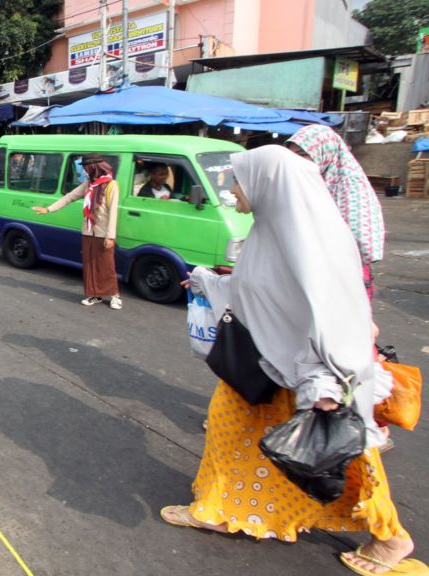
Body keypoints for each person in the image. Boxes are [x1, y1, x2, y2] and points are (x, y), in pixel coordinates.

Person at [161, 146, 421, 576]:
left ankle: (391, 538)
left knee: (342, 458)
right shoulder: (271, 230)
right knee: (231, 438)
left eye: (238, 182)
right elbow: (256, 296)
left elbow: (336, 317)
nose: (231, 193)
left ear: (268, 183)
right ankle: (218, 508)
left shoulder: (313, 241)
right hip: (264, 366)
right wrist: (207, 281)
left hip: (314, 380)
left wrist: (324, 386)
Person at [285, 124, 385, 301]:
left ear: (324, 152)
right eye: (291, 156)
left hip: (343, 279)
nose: (296, 162)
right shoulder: (314, 181)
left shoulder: (348, 184)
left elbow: (363, 244)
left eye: (302, 155)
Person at [32, 154, 122, 310]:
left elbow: (113, 213)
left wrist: (110, 236)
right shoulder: (89, 184)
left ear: (94, 167)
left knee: (106, 265)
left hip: (103, 234)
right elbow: (69, 197)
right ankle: (95, 294)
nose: (85, 171)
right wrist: (48, 209)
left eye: (86, 168)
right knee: (90, 266)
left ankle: (114, 295)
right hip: (88, 231)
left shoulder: (111, 185)